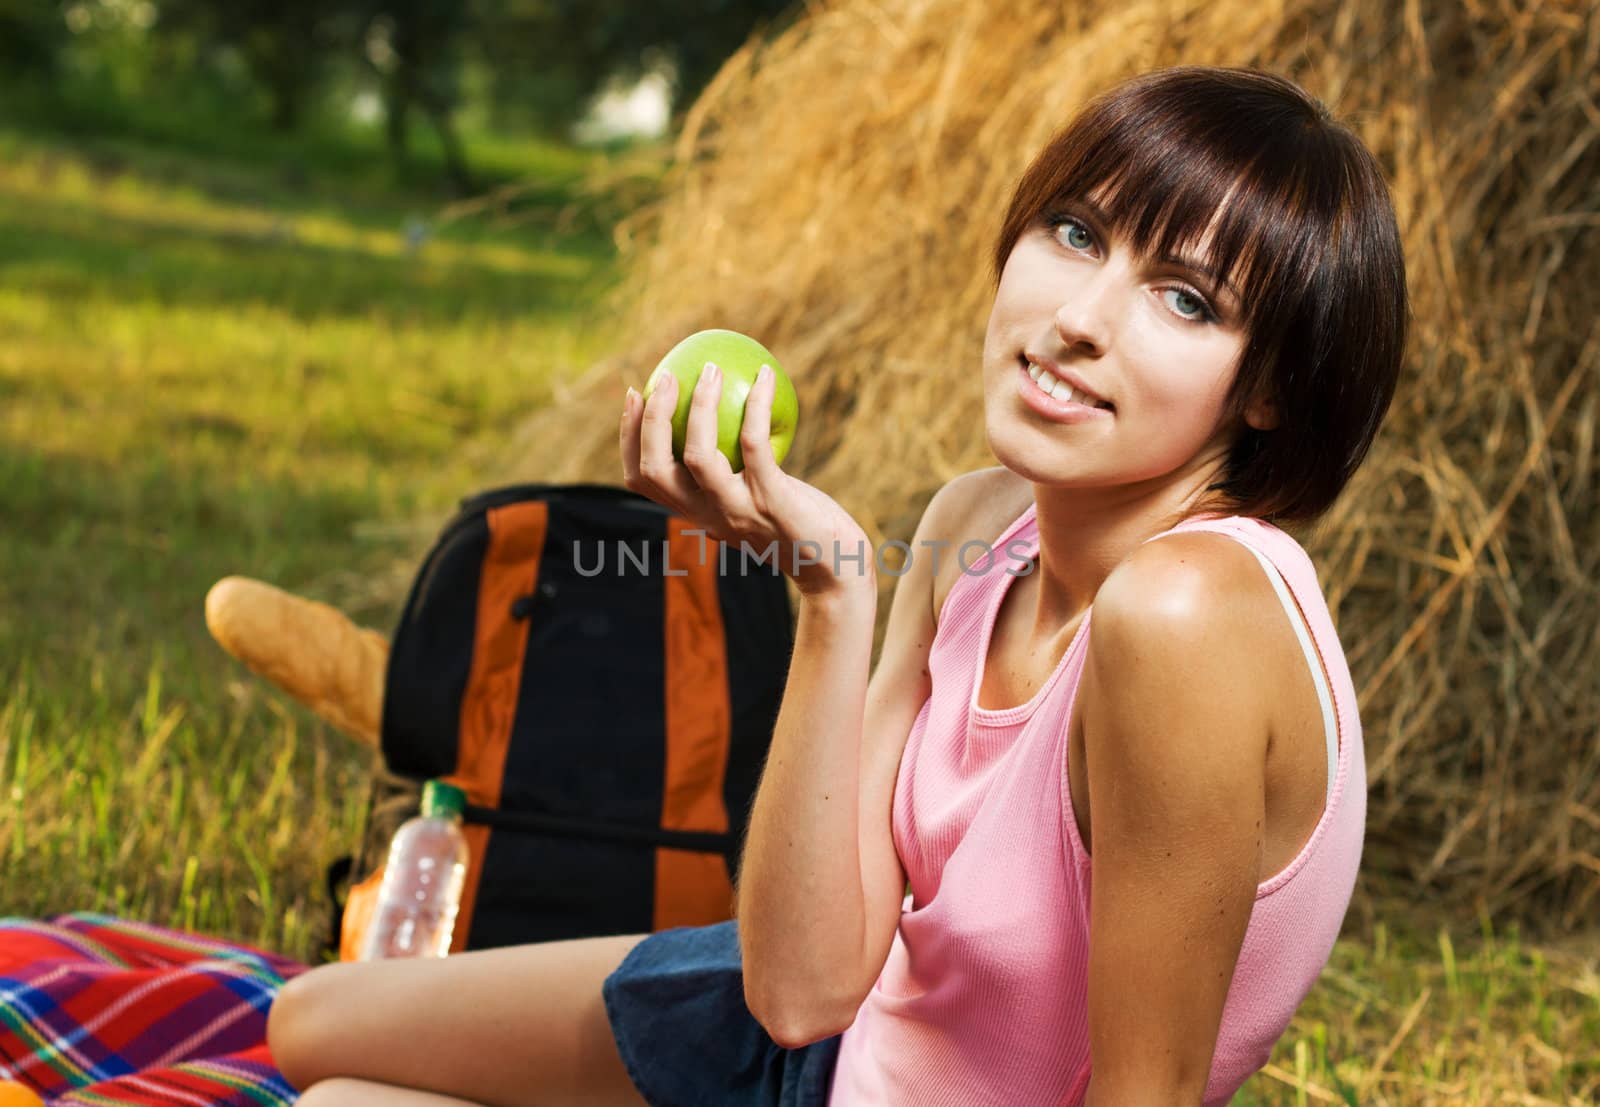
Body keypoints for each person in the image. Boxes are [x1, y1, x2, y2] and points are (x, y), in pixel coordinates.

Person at [266, 63, 1408, 1106]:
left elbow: (1142, 1095)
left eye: (1184, 300)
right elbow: (801, 988)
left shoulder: (1186, 617)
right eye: (1074, 232)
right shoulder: (980, 521)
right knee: (310, 1029)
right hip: (838, 1043)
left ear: (1267, 389)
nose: (1076, 321)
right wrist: (831, 596)